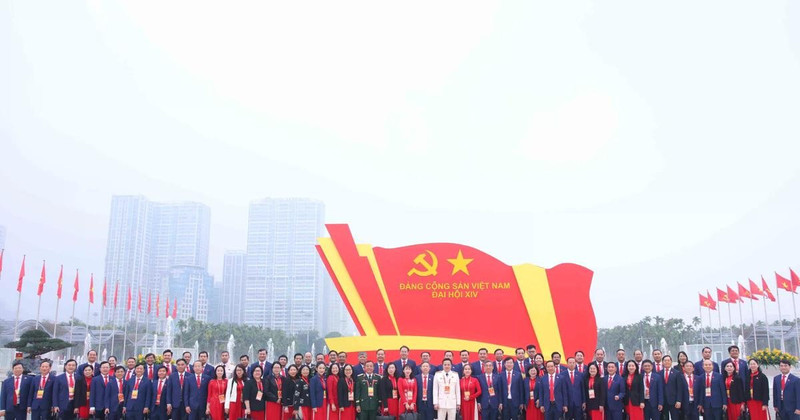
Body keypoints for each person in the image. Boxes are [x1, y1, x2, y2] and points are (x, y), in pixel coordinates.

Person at [661, 355, 680, 420]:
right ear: (662, 362)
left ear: (671, 362)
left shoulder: (677, 373)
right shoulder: (659, 373)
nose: (667, 362)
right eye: (665, 360)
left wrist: (678, 400)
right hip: (663, 401)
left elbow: (679, 388)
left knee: (675, 417)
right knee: (664, 417)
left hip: (674, 401)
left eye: (668, 360)